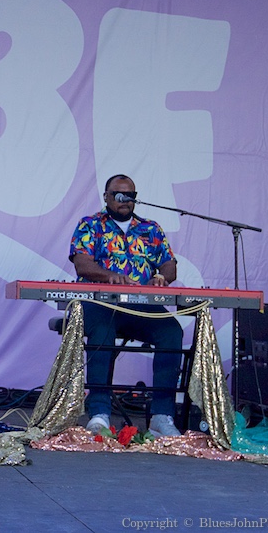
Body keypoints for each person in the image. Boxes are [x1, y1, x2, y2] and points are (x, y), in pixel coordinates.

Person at [69, 174, 183, 439]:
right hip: (101, 304)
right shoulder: (91, 225)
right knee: (102, 331)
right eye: (119, 195)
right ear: (107, 197)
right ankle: (99, 413)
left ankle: (162, 415)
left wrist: (162, 276)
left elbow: (169, 264)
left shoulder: (151, 228)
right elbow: (82, 264)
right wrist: (108, 276)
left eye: (130, 196)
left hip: (141, 306)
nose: (125, 200)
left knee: (171, 332)